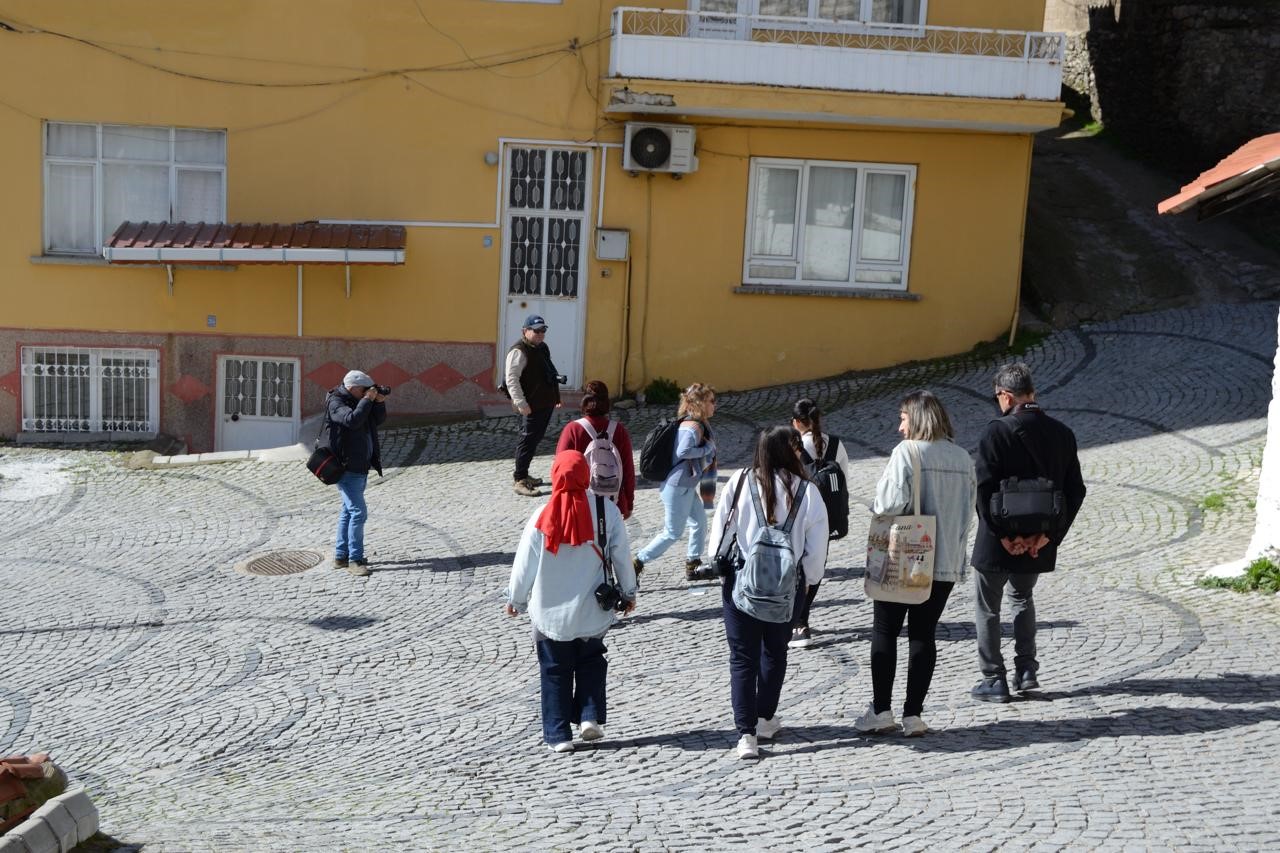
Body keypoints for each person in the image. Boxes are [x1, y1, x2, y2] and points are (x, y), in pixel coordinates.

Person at [855, 391, 976, 737]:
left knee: (886, 630)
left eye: (903, 418)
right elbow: (969, 510)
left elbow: (889, 502)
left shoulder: (906, 453)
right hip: (945, 560)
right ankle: (914, 714)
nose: (899, 427)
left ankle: (881, 710)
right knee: (924, 634)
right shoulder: (963, 458)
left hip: (904, 558)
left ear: (918, 418)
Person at [505, 450, 638, 753]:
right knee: (592, 659)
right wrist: (629, 592)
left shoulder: (542, 514)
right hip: (592, 608)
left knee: (554, 669)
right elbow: (620, 556)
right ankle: (590, 715)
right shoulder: (606, 511)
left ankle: (558, 734)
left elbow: (525, 563)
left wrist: (516, 599)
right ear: (585, 476)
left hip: (550, 611)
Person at [709, 426, 829, 759]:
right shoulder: (807, 491)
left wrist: (717, 566)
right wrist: (810, 582)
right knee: (775, 651)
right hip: (787, 586)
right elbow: (816, 550)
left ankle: (746, 734)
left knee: (742, 657)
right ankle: (764, 717)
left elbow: (721, 528)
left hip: (741, 583)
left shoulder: (739, 482)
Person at [971, 362, 1087, 702]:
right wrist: (1048, 537)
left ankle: (994, 678)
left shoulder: (997, 431)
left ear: (1006, 396)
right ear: (1031, 393)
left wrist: (1003, 535)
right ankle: (1026, 671)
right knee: (1022, 597)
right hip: (1041, 536)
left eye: (998, 398)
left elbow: (982, 489)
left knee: (987, 607)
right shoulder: (1062, 433)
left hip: (998, 538)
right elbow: (1075, 491)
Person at [633, 383, 717, 581]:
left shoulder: (696, 423)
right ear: (701, 403)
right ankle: (637, 561)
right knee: (672, 533)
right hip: (677, 487)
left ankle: (693, 564)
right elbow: (683, 452)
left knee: (699, 523)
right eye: (712, 401)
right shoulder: (693, 426)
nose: (715, 405)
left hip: (685, 486)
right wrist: (707, 450)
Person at [788, 397, 851, 649]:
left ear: (796, 422)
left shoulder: (793, 446)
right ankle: (802, 617)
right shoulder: (836, 444)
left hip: (800, 515)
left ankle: (797, 620)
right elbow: (844, 482)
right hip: (827, 516)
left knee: (797, 566)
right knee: (815, 565)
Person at [324, 369, 386, 577]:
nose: (366, 393)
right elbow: (352, 420)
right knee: (358, 512)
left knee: (348, 511)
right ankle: (355, 560)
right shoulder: (336, 402)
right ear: (353, 388)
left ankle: (341, 556)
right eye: (364, 390)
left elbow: (378, 420)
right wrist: (367, 401)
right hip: (346, 467)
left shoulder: (358, 399)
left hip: (361, 465)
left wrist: (378, 401)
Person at [555, 380, 636, 519]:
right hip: (613, 503)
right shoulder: (619, 431)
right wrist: (628, 503)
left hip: (580, 503)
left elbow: (560, 469)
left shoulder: (573, 430)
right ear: (606, 401)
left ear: (584, 401)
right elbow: (628, 470)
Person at [505, 314, 563, 497]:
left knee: (534, 439)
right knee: (527, 441)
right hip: (530, 405)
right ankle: (520, 479)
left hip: (544, 402)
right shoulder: (519, 351)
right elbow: (511, 380)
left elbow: (548, 372)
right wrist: (521, 404)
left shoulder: (541, 348)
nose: (540, 334)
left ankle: (525, 474)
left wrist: (556, 397)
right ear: (525, 331)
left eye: (543, 330)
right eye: (536, 330)